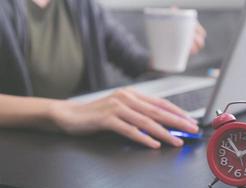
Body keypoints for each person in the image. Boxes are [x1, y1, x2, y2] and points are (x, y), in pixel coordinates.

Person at [0, 0, 206, 149]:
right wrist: (63, 111)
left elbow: (135, 60)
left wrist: (172, 46)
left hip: (75, 146)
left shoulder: (84, 6)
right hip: (21, 148)